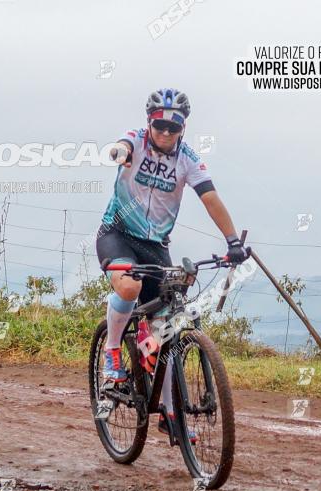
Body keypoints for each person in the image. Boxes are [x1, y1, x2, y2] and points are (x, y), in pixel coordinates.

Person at [96, 88, 248, 442]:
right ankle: (113, 353)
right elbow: (122, 146)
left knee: (166, 328)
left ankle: (169, 413)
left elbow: (210, 197)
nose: (165, 133)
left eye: (173, 128)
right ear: (149, 123)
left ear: (183, 129)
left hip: (155, 247)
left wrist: (232, 241)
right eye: (159, 126)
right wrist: (118, 152)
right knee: (129, 287)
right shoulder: (136, 140)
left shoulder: (188, 159)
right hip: (117, 234)